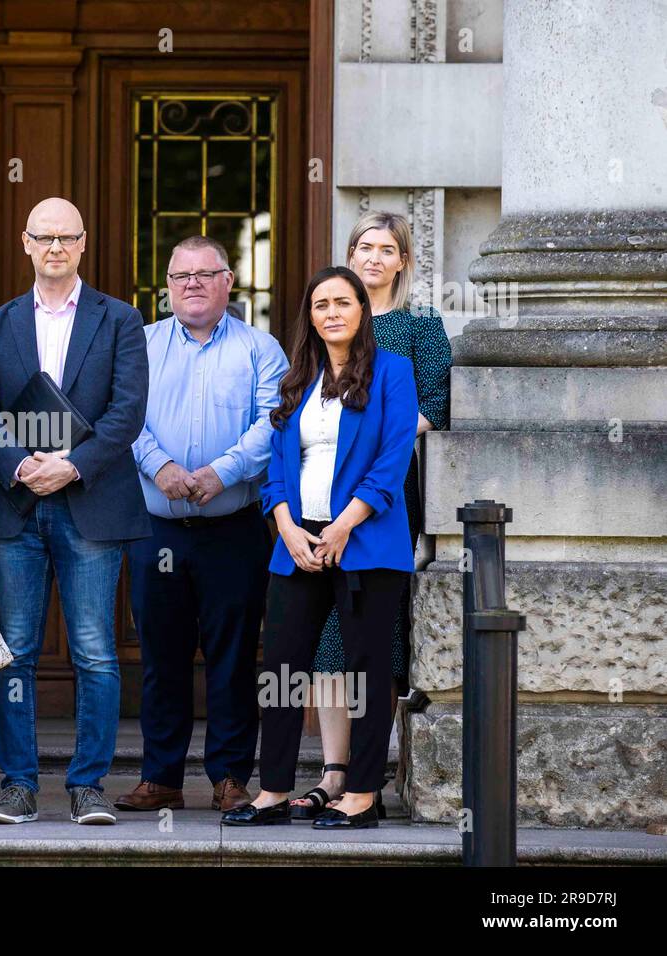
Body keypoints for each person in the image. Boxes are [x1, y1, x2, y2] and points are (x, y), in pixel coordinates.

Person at [0, 196, 150, 826]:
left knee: (96, 651)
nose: (54, 248)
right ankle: (17, 785)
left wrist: (70, 466)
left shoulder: (120, 319)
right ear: (25, 243)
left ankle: (88, 786)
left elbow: (127, 413)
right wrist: (22, 466)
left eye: (66, 238)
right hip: (17, 506)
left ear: (82, 244)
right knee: (14, 650)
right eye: (43, 237)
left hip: (90, 503)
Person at [223, 265, 416, 830]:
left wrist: (342, 527)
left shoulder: (392, 373)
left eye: (342, 302)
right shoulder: (297, 377)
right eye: (320, 305)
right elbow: (277, 468)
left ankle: (360, 793)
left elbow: (391, 462)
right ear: (310, 316)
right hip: (297, 541)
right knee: (281, 666)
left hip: (364, 543)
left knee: (365, 671)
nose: (331, 312)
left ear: (362, 310)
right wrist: (284, 524)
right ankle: (274, 790)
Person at [113, 236, 287, 814]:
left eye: (204, 274)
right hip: (156, 529)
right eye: (180, 275)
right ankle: (161, 777)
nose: (191, 283)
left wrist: (222, 471)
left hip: (231, 528)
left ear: (227, 281)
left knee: (233, 657)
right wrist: (158, 465)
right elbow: (121, 415)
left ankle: (231, 777)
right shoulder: (138, 345)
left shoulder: (262, 350)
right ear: (167, 286)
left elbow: (273, 425)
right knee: (160, 656)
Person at [291, 211, 453, 820]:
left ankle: (369, 772)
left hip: (385, 498)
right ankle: (332, 772)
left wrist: (369, 447)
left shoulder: (418, 327)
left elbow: (434, 407)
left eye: (388, 249)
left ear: (404, 262)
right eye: (365, 246)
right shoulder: (327, 324)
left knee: (373, 636)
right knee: (326, 638)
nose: (375, 258)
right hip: (314, 500)